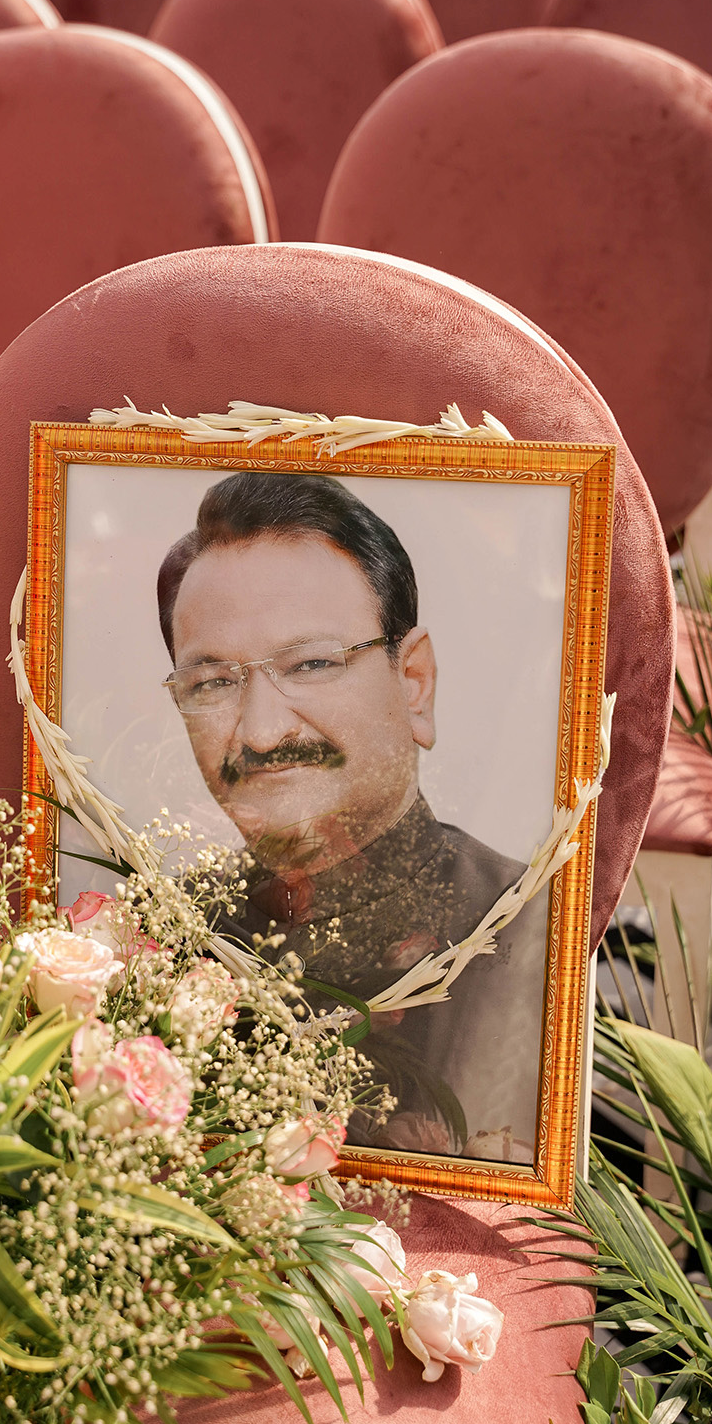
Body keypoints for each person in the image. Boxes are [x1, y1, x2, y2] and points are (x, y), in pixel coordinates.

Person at [157, 471, 548, 1162]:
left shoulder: (521, 923)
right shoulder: (160, 935)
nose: (261, 731)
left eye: (309, 664)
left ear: (414, 685)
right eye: (213, 683)